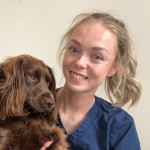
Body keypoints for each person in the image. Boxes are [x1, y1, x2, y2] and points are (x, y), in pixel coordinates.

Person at [41, 11, 142, 150]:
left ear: (113, 68)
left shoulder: (120, 127)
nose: (80, 63)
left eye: (97, 57)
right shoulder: (29, 108)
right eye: (74, 49)